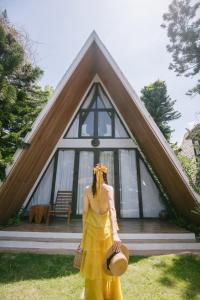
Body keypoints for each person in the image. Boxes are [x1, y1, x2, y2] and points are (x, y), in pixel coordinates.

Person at [78, 163, 123, 300]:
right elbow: (112, 210)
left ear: (94, 175)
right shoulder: (109, 188)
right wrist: (115, 233)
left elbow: (85, 213)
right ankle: (109, 296)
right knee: (109, 264)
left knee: (94, 266)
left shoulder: (87, 190)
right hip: (106, 232)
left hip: (91, 232)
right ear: (105, 175)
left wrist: (83, 236)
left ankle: (94, 296)